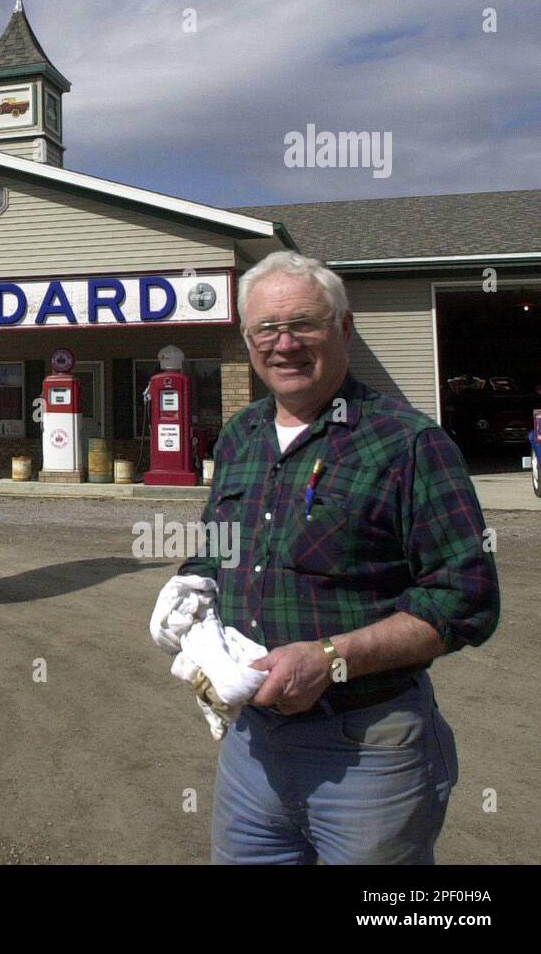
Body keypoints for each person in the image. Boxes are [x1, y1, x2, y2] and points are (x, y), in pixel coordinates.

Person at [174, 251, 499, 864]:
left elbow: (467, 600)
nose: (284, 344)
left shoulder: (408, 444)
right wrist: (191, 589)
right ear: (246, 339)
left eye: (304, 324)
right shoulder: (240, 436)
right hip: (253, 751)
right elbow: (220, 549)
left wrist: (332, 659)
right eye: (265, 329)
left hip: (369, 752)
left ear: (344, 329)